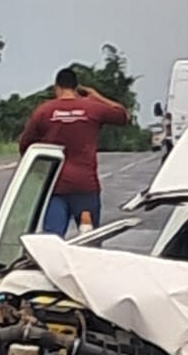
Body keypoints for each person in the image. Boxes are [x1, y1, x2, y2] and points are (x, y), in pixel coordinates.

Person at [18, 66, 130, 235]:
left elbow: (25, 145)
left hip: (55, 186)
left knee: (53, 240)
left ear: (57, 87)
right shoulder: (92, 108)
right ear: (76, 88)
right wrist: (97, 97)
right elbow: (123, 116)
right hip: (86, 187)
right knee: (89, 241)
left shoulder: (44, 111)